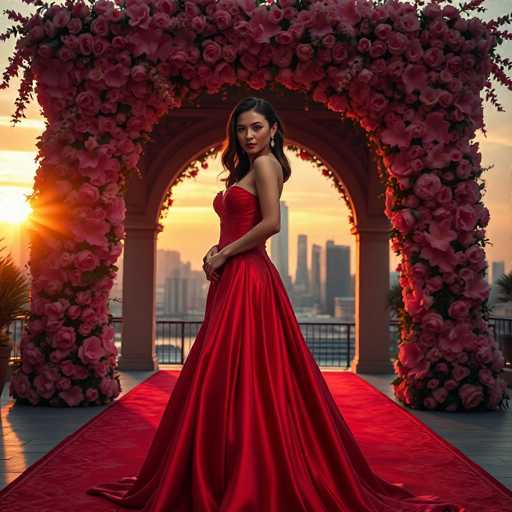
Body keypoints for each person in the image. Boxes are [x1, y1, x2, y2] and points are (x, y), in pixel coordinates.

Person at [87, 97, 463, 511]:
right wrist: (217, 249)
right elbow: (236, 225)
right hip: (232, 277)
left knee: (241, 369)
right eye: (242, 129)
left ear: (273, 130)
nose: (248, 136)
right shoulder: (246, 169)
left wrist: (226, 254)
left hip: (249, 278)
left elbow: (271, 223)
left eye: (256, 128)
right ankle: (223, 465)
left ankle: (247, 470)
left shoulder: (266, 165)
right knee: (224, 367)